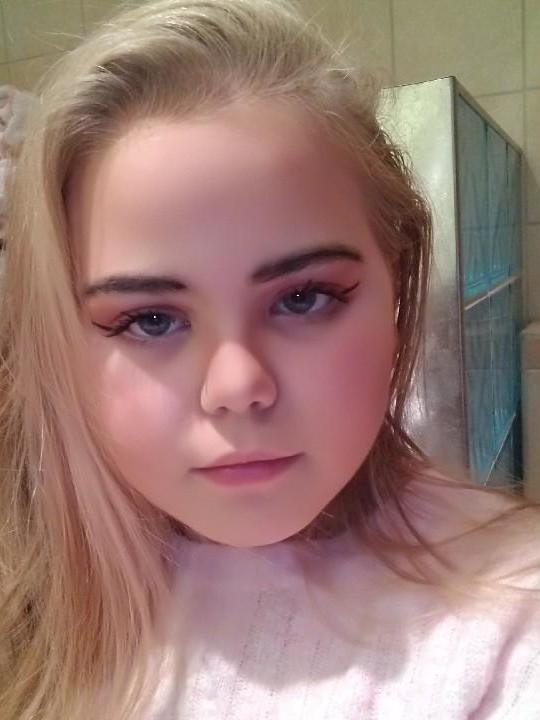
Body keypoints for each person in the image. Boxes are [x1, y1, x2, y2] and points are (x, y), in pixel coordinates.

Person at [1, 1, 539, 718]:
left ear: (398, 283)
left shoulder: (510, 629)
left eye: (303, 298)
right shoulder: (27, 593)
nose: (237, 387)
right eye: (150, 319)